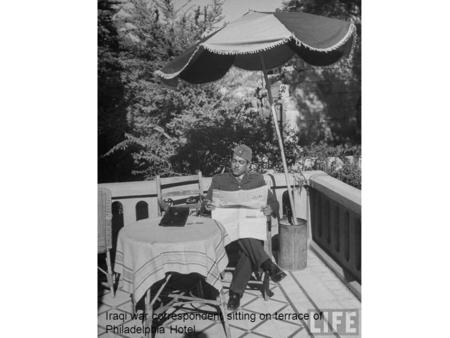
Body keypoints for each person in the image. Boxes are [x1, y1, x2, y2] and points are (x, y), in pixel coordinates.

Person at [204, 144, 287, 311]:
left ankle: (235, 294)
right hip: (227, 232)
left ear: (248, 165)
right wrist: (207, 205)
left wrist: (270, 209)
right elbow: (206, 202)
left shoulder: (257, 180)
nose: (236, 165)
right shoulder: (219, 180)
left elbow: (273, 203)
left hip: (249, 230)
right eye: (234, 161)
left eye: (241, 162)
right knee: (250, 244)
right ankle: (267, 265)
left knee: (247, 245)